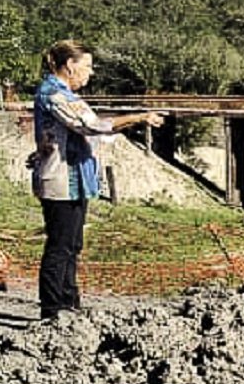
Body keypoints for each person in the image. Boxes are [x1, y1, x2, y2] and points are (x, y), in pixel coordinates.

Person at [29, 40, 164, 319]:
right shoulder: (54, 94)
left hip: (75, 180)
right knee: (60, 246)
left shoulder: (65, 93)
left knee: (72, 245)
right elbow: (91, 124)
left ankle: (68, 303)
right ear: (70, 65)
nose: (90, 73)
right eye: (87, 66)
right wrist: (139, 117)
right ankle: (53, 309)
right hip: (60, 180)